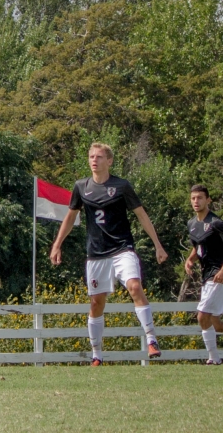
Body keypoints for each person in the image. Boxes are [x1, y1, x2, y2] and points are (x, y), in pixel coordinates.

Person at [49, 142, 168, 366]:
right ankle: (97, 354)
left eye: (99, 156)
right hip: (96, 254)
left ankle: (151, 339)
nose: (94, 160)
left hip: (123, 249)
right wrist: (57, 244)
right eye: (91, 156)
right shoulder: (81, 186)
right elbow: (71, 216)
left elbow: (141, 215)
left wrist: (158, 245)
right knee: (97, 303)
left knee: (134, 286)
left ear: (110, 161)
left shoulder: (121, 186)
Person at [184, 184, 223, 365]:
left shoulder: (216, 223)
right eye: (193, 198)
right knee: (216, 323)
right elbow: (198, 245)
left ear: (208, 200)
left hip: (217, 274)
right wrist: (190, 259)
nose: (196, 201)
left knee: (202, 315)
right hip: (205, 274)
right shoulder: (192, 224)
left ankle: (213, 359)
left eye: (200, 198)